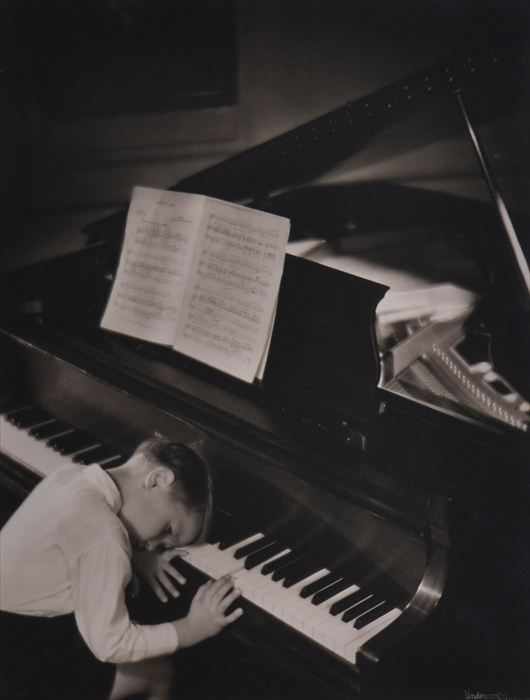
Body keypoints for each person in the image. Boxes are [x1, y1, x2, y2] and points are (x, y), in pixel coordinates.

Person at [0, 436, 243, 700]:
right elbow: (111, 644)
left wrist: (135, 554)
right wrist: (192, 628)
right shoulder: (106, 538)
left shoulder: (72, 476)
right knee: (160, 672)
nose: (154, 547)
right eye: (167, 530)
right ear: (158, 479)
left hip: (12, 626)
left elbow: (79, 535)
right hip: (18, 659)